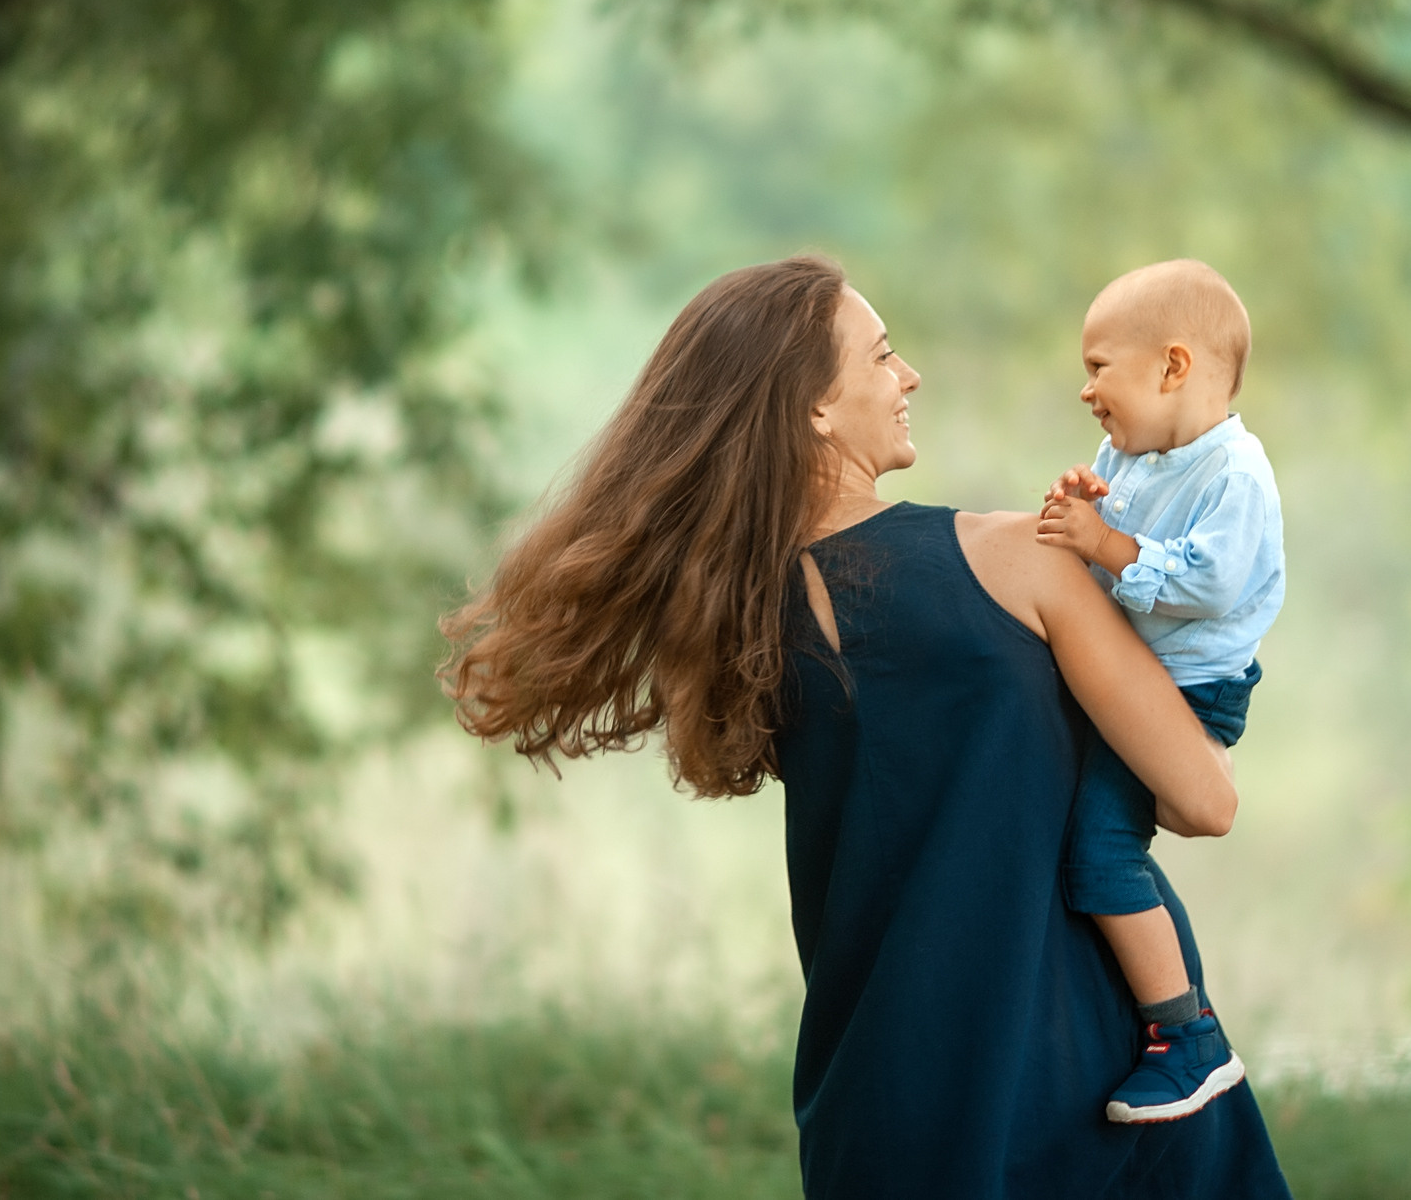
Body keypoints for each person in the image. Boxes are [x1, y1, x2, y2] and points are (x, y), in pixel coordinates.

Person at [442, 256, 1292, 1199]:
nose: (910, 375)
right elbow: (1202, 801)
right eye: (883, 356)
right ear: (813, 406)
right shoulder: (1021, 562)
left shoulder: (738, 624)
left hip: (878, 1099)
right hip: (1083, 1077)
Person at [1037, 260, 1287, 1124]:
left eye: (1100, 367)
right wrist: (1086, 509)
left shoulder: (1236, 476)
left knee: (1101, 852)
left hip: (1187, 695)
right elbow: (1111, 536)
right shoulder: (1134, 453)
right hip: (1136, 674)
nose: (1086, 391)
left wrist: (1105, 547)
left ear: (1172, 368)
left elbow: (1209, 584)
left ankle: (1186, 1037)